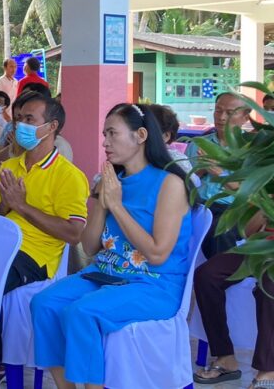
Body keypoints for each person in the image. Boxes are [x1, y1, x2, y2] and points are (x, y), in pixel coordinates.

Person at [31, 103, 192, 389]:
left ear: (140, 135)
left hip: (153, 283)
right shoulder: (113, 180)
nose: (105, 142)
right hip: (106, 274)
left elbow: (157, 254)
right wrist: (102, 203)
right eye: (104, 134)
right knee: (43, 304)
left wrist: (116, 206)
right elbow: (90, 246)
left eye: (112, 134)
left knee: (82, 312)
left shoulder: (170, 184)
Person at [0, 92, 89, 369]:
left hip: (34, 256)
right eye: (18, 119)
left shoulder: (69, 175)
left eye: (29, 119)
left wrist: (22, 206)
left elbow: (73, 234)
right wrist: (5, 205)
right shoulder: (10, 167)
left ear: (51, 126)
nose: (20, 126)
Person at [192, 212, 273, 386]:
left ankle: (267, 372)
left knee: (269, 286)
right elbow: (248, 232)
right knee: (206, 276)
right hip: (259, 249)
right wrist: (265, 207)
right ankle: (225, 357)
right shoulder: (266, 193)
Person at [185, 92, 251, 258]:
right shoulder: (198, 144)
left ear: (245, 118)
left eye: (230, 113)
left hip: (232, 208)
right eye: (218, 110)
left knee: (220, 231)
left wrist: (219, 173)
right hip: (197, 205)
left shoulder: (251, 150)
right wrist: (202, 168)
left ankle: (220, 271)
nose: (221, 117)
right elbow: (183, 183)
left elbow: (251, 194)